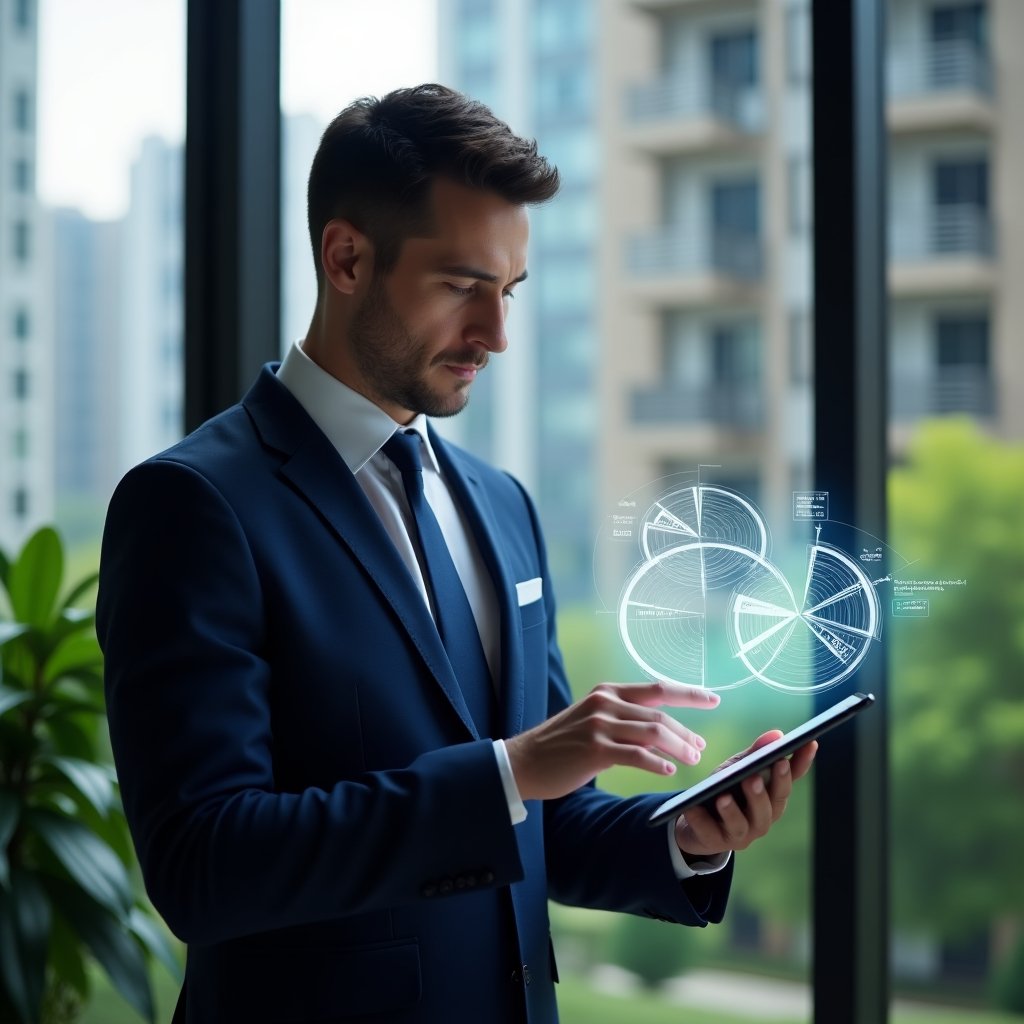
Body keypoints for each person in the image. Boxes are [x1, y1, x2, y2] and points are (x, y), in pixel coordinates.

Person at [97, 84, 816, 1024]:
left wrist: (684, 836)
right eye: (461, 287)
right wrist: (509, 770)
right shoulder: (191, 505)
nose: (497, 335)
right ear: (346, 257)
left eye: (509, 291)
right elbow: (204, 864)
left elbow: (540, 818)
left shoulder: (501, 504)